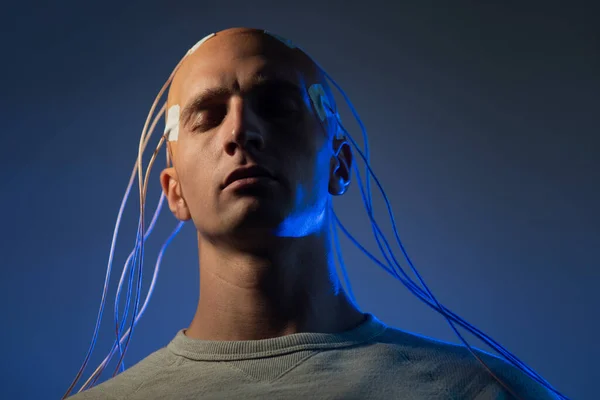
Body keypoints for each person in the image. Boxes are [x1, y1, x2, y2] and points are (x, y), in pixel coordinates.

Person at [68, 27, 558, 399]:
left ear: (339, 164)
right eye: (209, 115)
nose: (240, 131)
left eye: (276, 105)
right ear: (175, 193)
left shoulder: (484, 391)